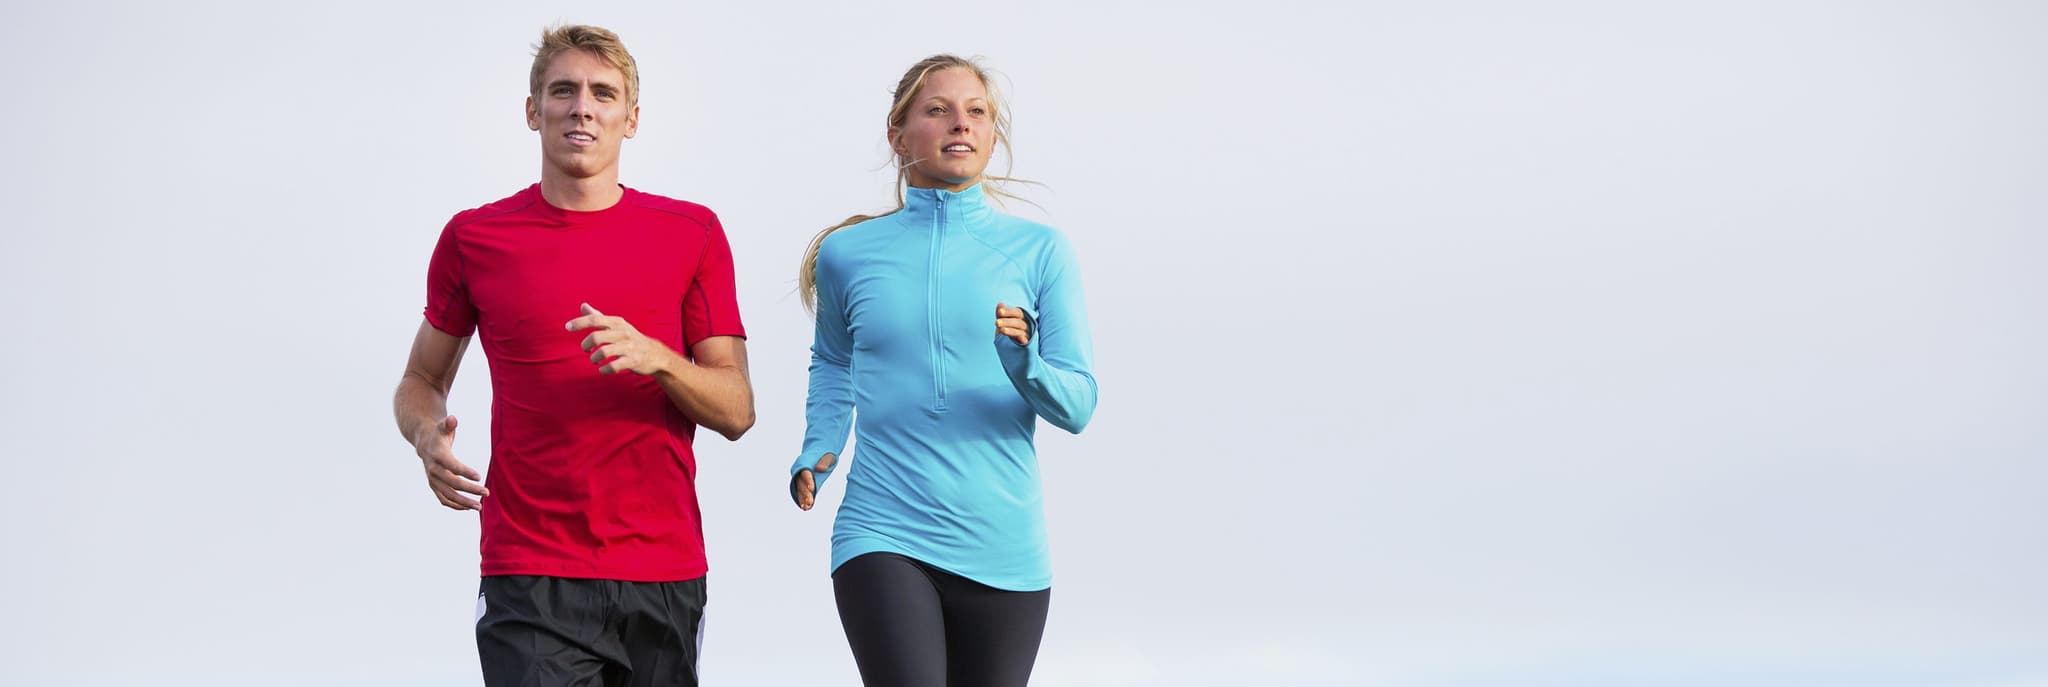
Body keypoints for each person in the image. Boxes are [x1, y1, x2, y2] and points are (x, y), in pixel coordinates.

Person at [391, 24, 753, 687]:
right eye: (563, 90)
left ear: (631, 119)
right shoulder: (475, 236)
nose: (582, 106)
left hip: (663, 570)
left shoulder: (691, 232)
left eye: (603, 93)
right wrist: (424, 434)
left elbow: (736, 410)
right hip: (529, 571)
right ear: (534, 111)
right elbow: (421, 376)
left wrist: (660, 359)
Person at [790, 54, 1098, 687]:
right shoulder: (847, 254)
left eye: (976, 111)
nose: (960, 123)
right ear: (898, 135)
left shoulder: (1042, 252)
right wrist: (820, 445)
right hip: (883, 527)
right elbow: (833, 362)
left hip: (1004, 545)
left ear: (992, 134)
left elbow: (1078, 407)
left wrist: (1026, 365)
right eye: (938, 110)